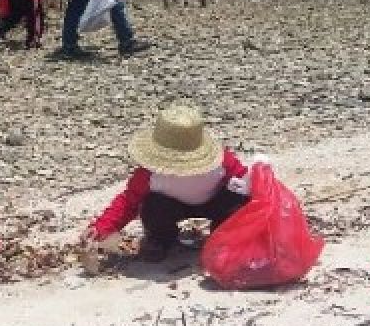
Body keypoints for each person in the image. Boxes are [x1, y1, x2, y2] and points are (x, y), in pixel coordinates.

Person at [81, 105, 251, 263]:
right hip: (170, 208)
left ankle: (223, 237)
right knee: (152, 205)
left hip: (215, 203)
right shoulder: (149, 173)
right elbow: (128, 202)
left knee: (238, 196)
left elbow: (246, 181)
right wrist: (101, 227)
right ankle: (160, 239)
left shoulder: (221, 162)